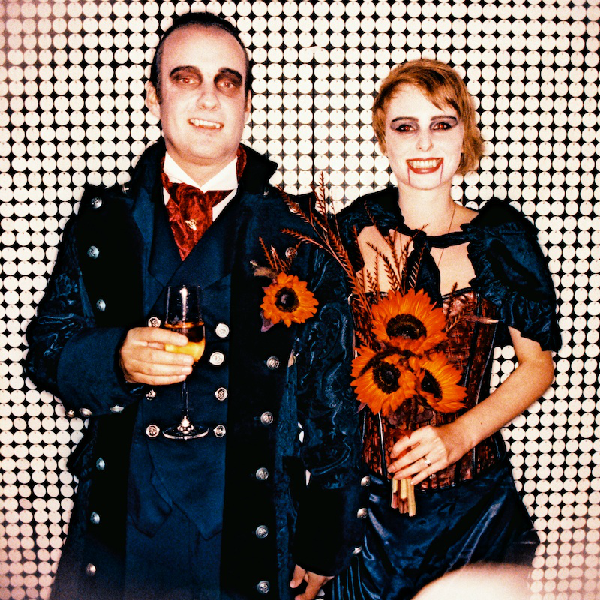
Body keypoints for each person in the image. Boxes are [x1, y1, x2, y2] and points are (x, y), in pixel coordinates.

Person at [25, 12, 363, 600]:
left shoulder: (301, 233)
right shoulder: (101, 223)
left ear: (247, 103)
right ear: (154, 96)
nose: (209, 98)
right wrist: (114, 358)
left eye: (228, 82)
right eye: (186, 78)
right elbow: (46, 352)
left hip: (250, 530)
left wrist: (324, 539)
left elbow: (332, 397)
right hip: (125, 528)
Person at [329, 59, 561, 600]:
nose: (424, 142)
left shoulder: (501, 241)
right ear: (384, 139)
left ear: (464, 136)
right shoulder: (349, 231)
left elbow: (537, 365)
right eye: (405, 126)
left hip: (473, 511)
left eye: (441, 123)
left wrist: (458, 436)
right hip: (365, 512)